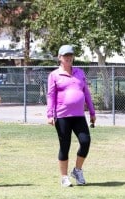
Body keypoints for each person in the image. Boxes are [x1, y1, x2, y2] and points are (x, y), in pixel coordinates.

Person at [46, 45, 96, 187]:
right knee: (65, 146)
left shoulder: (80, 73)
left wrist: (92, 112)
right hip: (62, 116)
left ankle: (77, 170)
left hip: (79, 115)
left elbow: (86, 93)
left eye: (70, 55)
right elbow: (50, 96)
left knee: (85, 142)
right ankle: (64, 177)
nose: (68, 57)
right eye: (65, 55)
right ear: (60, 58)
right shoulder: (54, 75)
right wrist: (50, 114)